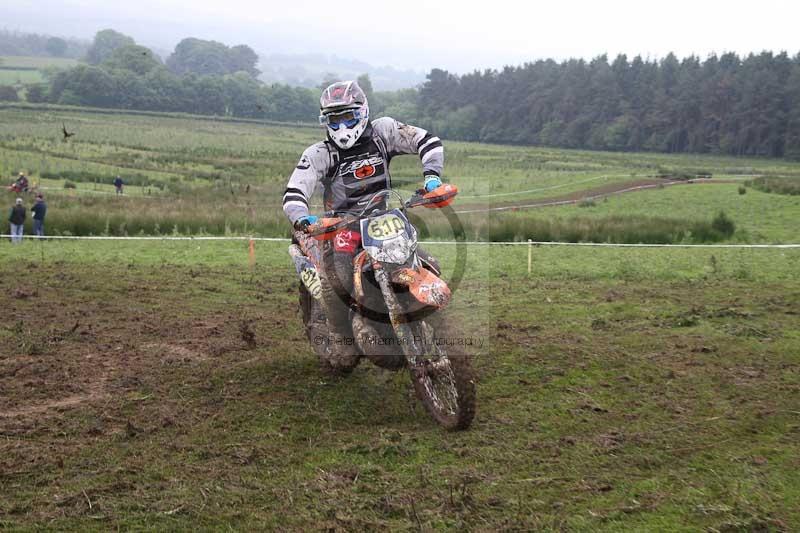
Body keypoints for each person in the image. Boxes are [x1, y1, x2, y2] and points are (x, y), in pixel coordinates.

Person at [282, 80, 445, 363]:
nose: (342, 125)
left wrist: (432, 177)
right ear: (325, 121)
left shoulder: (383, 132)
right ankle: (341, 340)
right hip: (342, 228)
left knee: (429, 263)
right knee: (337, 283)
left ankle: (431, 326)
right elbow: (295, 192)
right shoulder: (320, 154)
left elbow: (426, 140)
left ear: (362, 111)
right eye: (334, 119)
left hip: (385, 220)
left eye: (347, 116)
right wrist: (304, 218)